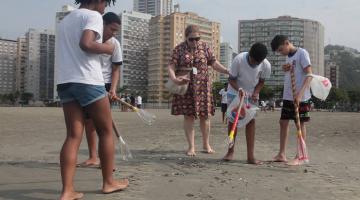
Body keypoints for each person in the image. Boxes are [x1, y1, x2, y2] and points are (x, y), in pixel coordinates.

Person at [55, 1, 128, 199]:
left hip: (64, 82)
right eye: (105, 3)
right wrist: (107, 49)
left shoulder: (65, 21)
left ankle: (67, 190)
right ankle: (108, 182)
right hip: (87, 80)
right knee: (105, 131)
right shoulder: (93, 16)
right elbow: (86, 44)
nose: (104, 9)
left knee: (72, 135)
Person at [168, 25, 230, 156]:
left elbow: (213, 62)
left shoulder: (205, 47)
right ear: (186, 37)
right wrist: (174, 78)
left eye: (197, 38)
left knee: (205, 116)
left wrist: (225, 70)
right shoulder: (179, 49)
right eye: (192, 39)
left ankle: (206, 144)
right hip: (186, 86)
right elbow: (171, 65)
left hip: (203, 86)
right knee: (188, 116)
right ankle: (191, 147)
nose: (195, 42)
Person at [77, 12, 123, 170]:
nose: (113, 33)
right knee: (88, 123)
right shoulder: (90, 39)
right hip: (88, 82)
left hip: (104, 85)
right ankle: (93, 157)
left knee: (103, 125)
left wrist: (113, 89)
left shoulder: (115, 44)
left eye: (116, 31)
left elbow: (116, 69)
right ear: (102, 24)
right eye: (112, 29)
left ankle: (107, 161)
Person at [222, 43, 271, 164]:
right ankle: (230, 151)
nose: (255, 64)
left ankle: (250, 156)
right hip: (235, 91)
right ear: (249, 54)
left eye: (258, 62)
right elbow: (231, 79)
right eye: (253, 61)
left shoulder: (266, 65)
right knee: (233, 120)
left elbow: (261, 82)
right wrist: (239, 89)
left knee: (251, 121)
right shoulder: (238, 60)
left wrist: (256, 92)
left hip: (251, 94)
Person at [271, 35, 313, 165]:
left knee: (300, 124)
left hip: (301, 97)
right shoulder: (288, 56)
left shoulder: (302, 53)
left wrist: (300, 95)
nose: (280, 53)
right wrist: (285, 69)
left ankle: (300, 156)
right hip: (288, 95)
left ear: (286, 43)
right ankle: (281, 154)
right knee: (283, 122)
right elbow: (292, 72)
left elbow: (309, 75)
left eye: (280, 49)